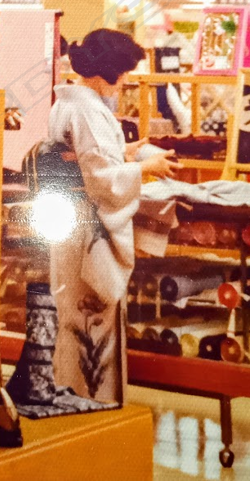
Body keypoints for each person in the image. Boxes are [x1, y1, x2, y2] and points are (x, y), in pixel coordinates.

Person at [47, 28, 180, 404]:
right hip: (87, 225)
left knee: (73, 314)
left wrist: (126, 153)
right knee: (91, 315)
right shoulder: (88, 110)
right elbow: (101, 180)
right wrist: (145, 168)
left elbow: (89, 162)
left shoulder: (68, 103)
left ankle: (72, 394)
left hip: (67, 222)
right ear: (109, 71)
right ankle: (92, 401)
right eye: (122, 74)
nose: (123, 82)